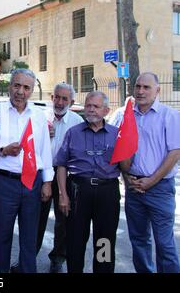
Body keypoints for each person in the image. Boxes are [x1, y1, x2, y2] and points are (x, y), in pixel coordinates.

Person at [0, 68, 53, 273]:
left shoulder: (38, 115)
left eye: (26, 87)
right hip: (4, 183)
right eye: (16, 85)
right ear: (9, 86)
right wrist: (2, 150)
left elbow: (45, 150)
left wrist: (47, 182)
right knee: (2, 236)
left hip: (32, 182)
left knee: (30, 236)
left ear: (32, 90)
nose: (20, 91)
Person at [56, 91, 122, 273]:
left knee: (105, 241)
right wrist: (63, 195)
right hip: (78, 191)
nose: (91, 110)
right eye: (88, 105)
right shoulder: (73, 133)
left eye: (96, 106)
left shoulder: (116, 135)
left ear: (106, 110)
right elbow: (61, 165)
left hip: (107, 192)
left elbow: (126, 165)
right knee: (75, 240)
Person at [122, 72, 180, 273]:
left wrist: (152, 181)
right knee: (139, 241)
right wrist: (126, 177)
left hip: (160, 189)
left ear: (157, 90)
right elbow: (121, 150)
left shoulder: (170, 115)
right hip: (134, 188)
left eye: (146, 87)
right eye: (138, 86)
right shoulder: (126, 115)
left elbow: (175, 152)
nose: (140, 91)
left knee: (164, 244)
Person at [36, 83, 83, 273]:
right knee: (37, 217)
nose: (60, 102)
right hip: (42, 173)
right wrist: (41, 135)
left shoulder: (78, 122)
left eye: (64, 99)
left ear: (71, 102)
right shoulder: (39, 118)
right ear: (51, 97)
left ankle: (58, 258)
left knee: (64, 219)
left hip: (66, 174)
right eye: (57, 97)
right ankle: (29, 256)